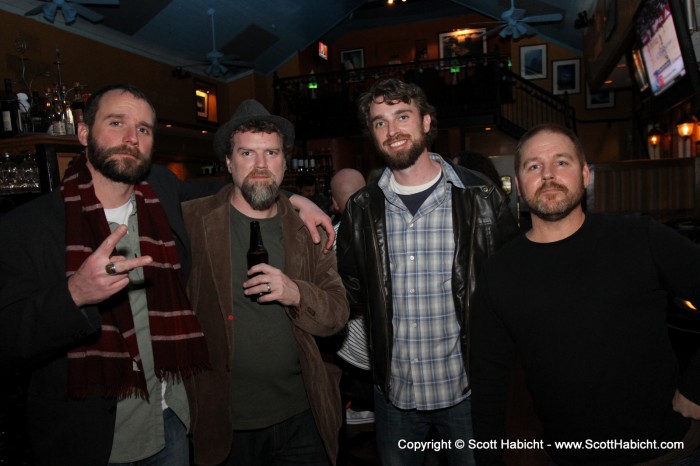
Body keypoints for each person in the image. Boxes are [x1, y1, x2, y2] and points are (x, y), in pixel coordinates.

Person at [0, 84, 336, 466]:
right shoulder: (27, 227)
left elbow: (244, 186)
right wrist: (73, 295)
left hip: (170, 423)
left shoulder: (162, 197)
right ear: (83, 133)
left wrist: (296, 199)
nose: (131, 138)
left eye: (144, 129)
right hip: (89, 437)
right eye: (116, 123)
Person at [471, 123, 700, 465]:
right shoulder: (498, 274)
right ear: (518, 186)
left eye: (561, 162)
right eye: (534, 166)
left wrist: (697, 384)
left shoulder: (640, 238)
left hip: (666, 453)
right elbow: (488, 383)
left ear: (585, 174)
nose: (548, 174)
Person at [335, 78, 517, 466]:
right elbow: (349, 291)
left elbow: (512, 287)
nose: (392, 130)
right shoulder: (361, 209)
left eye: (402, 116)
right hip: (395, 395)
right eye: (380, 122)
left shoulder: (481, 198)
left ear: (427, 122)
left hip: (465, 390)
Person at [182, 99, 350, 466]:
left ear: (284, 162)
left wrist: (296, 292)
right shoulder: (192, 223)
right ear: (229, 162)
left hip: (303, 416)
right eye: (247, 153)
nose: (260, 165)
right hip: (224, 423)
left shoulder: (309, 231)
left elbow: (338, 314)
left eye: (271, 152)